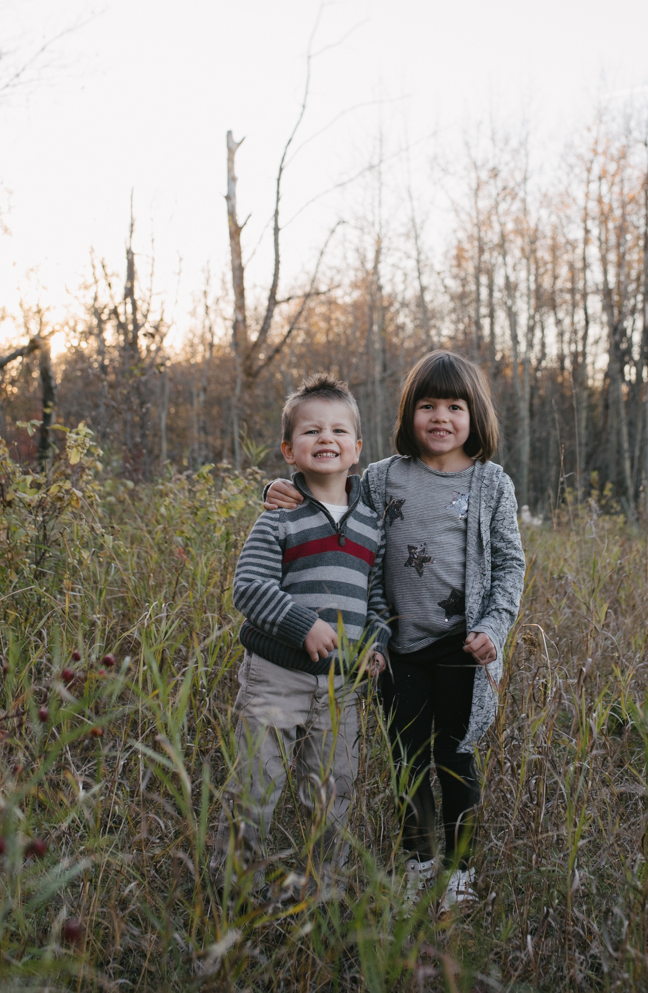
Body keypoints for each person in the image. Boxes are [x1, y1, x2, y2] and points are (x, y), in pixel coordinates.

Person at [264, 350, 526, 911]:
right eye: (427, 405)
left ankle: (458, 870)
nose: (440, 417)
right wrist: (278, 490)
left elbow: (509, 565)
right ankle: (419, 860)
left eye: (455, 406)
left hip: (461, 645)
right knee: (407, 757)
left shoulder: (491, 484)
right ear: (408, 414)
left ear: (475, 416)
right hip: (395, 649)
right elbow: (324, 492)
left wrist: (494, 627)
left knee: (453, 756)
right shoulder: (381, 478)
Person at [216, 374, 389, 894]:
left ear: (357, 450)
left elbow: (377, 598)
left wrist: (376, 646)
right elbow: (247, 587)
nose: (326, 439)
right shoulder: (279, 519)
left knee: (332, 792)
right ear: (289, 450)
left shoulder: (371, 525)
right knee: (255, 784)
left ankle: (321, 889)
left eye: (339, 431)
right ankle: (234, 889)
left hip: (341, 689)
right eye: (312, 431)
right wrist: (302, 624)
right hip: (276, 677)